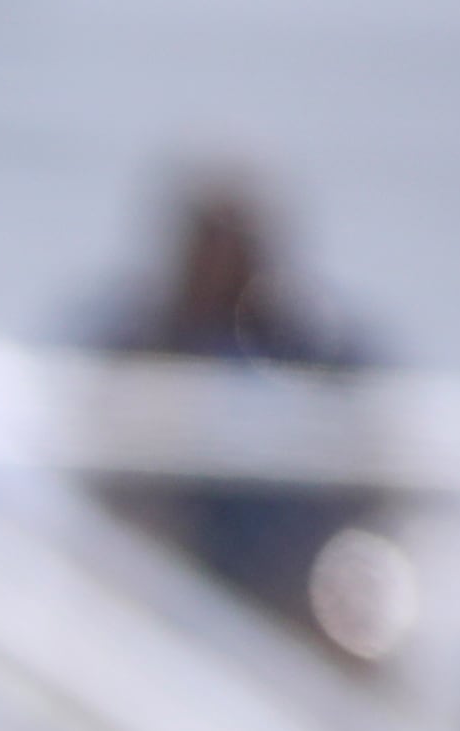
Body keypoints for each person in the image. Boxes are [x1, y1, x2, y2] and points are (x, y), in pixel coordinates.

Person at [86, 164, 400, 665]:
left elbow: (375, 455)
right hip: (166, 562)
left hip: (287, 566)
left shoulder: (321, 341)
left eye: (238, 237)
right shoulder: (130, 333)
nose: (223, 255)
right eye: (209, 236)